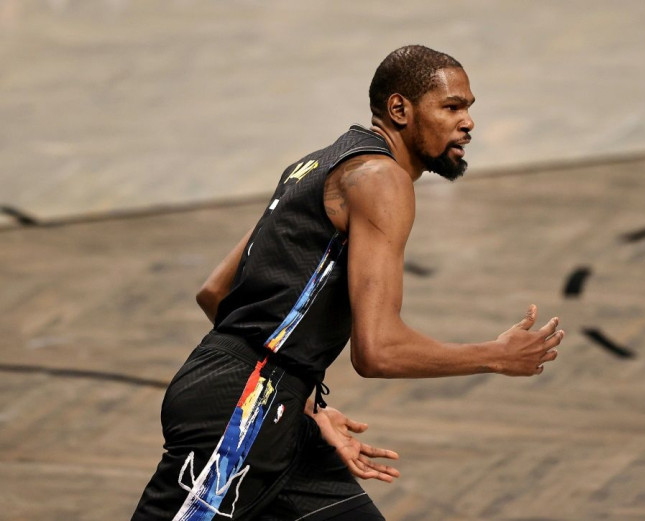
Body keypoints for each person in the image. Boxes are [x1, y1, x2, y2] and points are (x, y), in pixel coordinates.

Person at [132, 44, 564, 521]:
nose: (468, 122)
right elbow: (377, 351)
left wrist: (300, 403)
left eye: (468, 108)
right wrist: (495, 356)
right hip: (242, 413)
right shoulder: (381, 179)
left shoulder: (315, 165)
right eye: (452, 106)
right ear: (400, 109)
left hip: (266, 406)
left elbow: (216, 292)